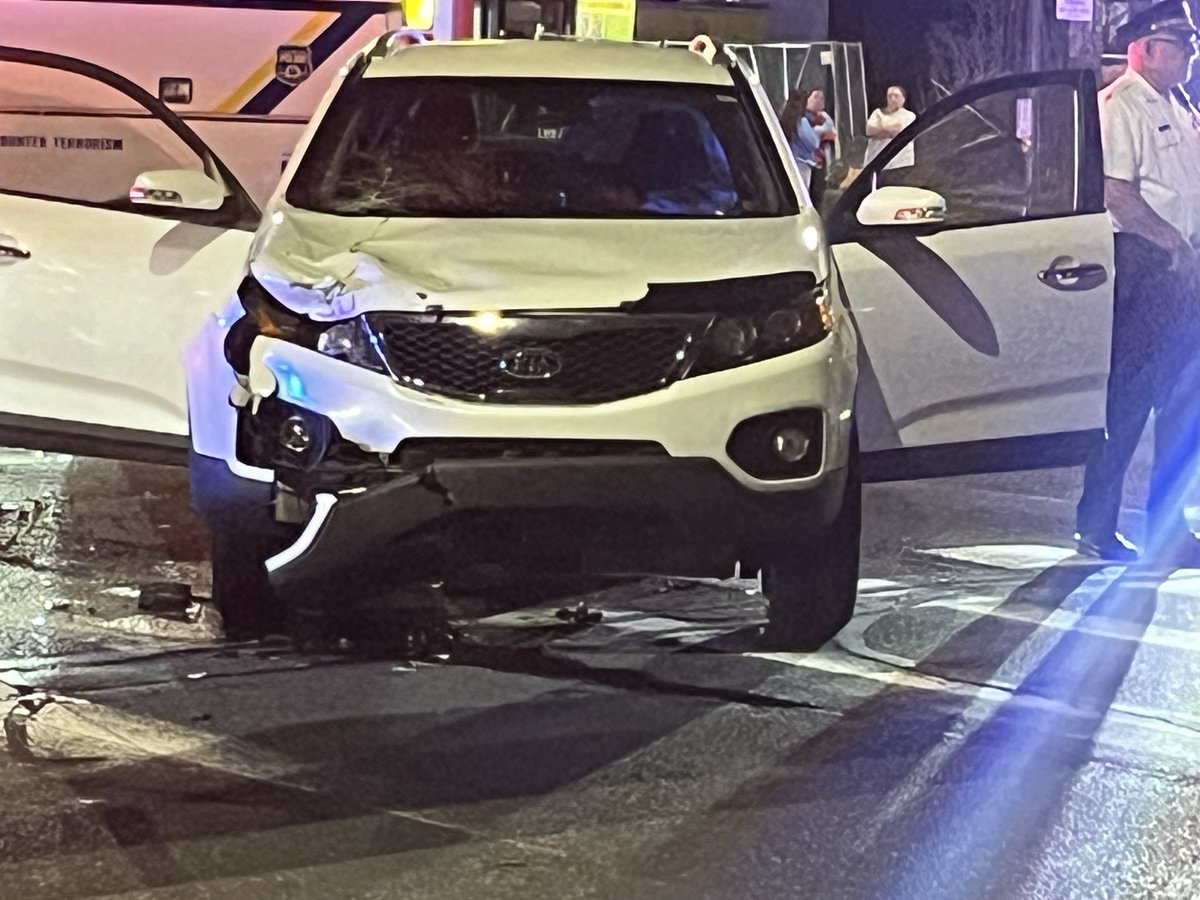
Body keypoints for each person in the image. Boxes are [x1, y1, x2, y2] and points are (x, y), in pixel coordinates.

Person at [1074, 0, 1200, 563]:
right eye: (1180, 45)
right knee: (1126, 405)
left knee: (1183, 407)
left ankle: (1168, 531)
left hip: (1183, 270)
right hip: (1145, 268)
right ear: (1144, 49)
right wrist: (1172, 242)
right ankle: (1096, 524)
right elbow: (1116, 192)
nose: (1191, 55)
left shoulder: (1181, 105)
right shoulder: (1121, 105)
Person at [864, 85, 916, 179]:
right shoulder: (877, 113)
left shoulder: (909, 116)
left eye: (896, 96)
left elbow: (899, 133)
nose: (892, 98)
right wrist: (891, 128)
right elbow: (870, 130)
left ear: (903, 99)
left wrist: (881, 127)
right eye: (889, 96)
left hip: (899, 165)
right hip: (876, 165)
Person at [779, 90, 821, 191]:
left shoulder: (784, 121)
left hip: (790, 161)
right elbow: (814, 143)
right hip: (803, 164)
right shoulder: (802, 122)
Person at [805, 89, 838, 210]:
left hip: (821, 161)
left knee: (819, 192)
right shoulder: (801, 117)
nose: (818, 101)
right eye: (815, 97)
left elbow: (831, 135)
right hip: (805, 160)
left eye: (821, 98)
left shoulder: (824, 117)